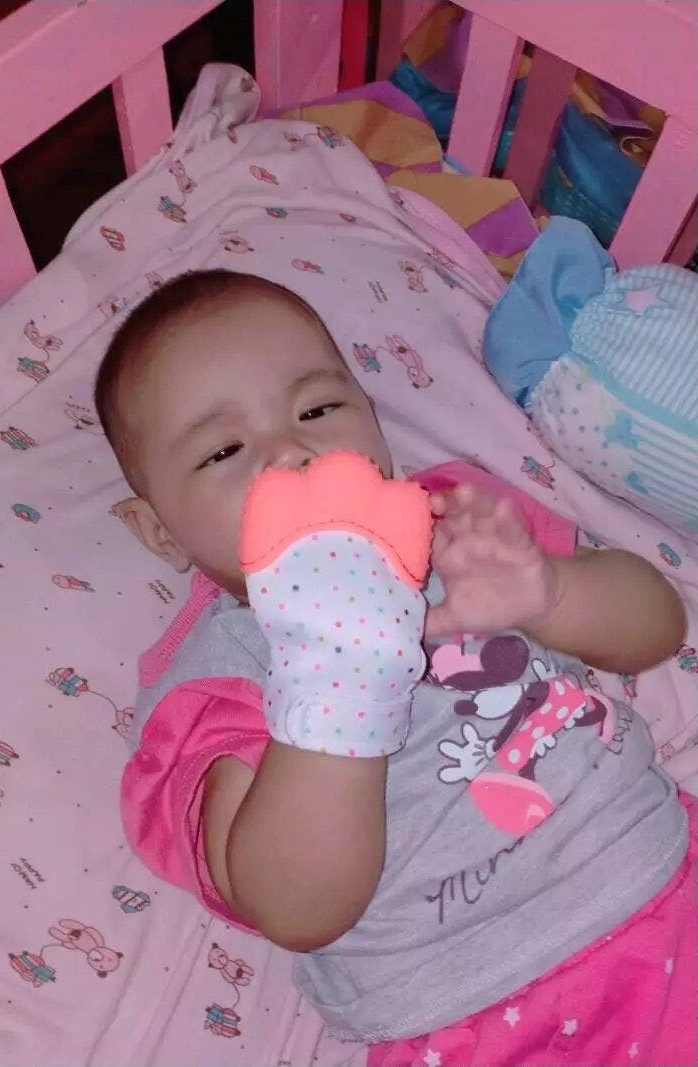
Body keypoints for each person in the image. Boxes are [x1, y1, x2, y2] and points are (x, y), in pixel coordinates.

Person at [95, 269, 694, 1066]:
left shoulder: (455, 520)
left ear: (371, 419)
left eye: (318, 409)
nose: (291, 451)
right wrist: (335, 678)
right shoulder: (221, 674)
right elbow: (294, 906)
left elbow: (656, 627)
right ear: (161, 532)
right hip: (475, 1009)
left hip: (659, 874)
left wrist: (551, 594)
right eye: (224, 450)